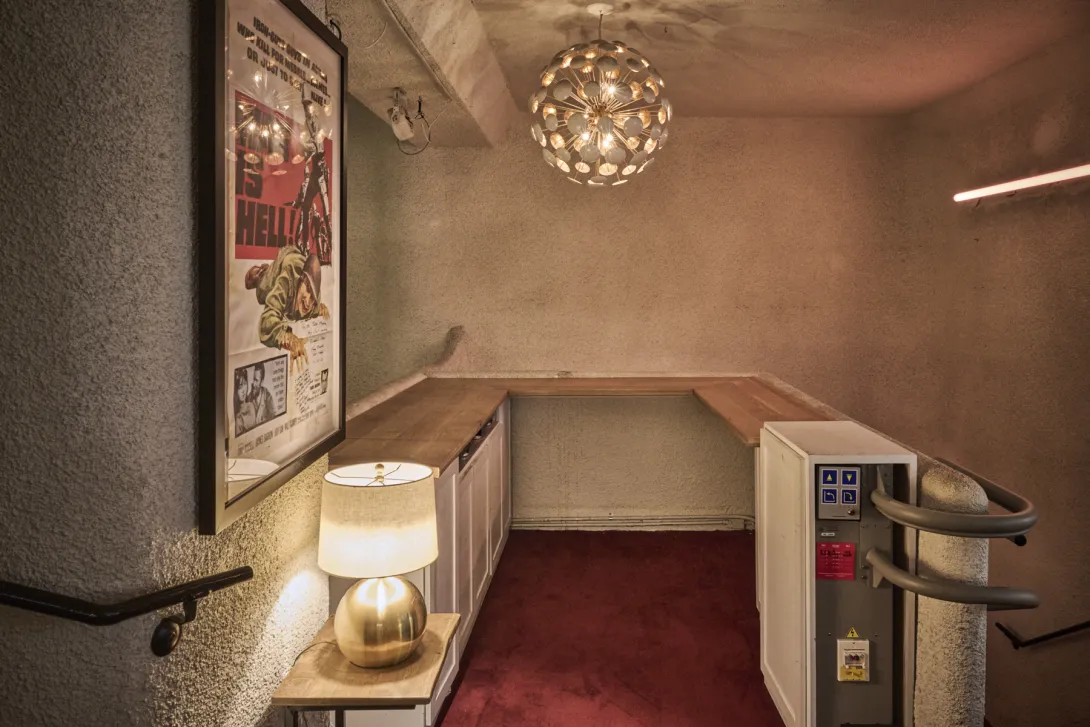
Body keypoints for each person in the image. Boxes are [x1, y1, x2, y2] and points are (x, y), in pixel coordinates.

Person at [245, 245, 329, 372]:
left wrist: (321, 309)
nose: (308, 300)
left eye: (312, 296)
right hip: (281, 265)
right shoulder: (287, 279)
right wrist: (287, 337)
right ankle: (262, 272)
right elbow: (267, 320)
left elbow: (315, 308)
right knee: (258, 286)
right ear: (301, 280)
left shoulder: (314, 302)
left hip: (297, 260)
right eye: (307, 288)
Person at [233, 369, 258, 436]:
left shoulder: (250, 406)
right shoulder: (234, 409)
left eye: (245, 384)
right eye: (239, 387)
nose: (243, 390)